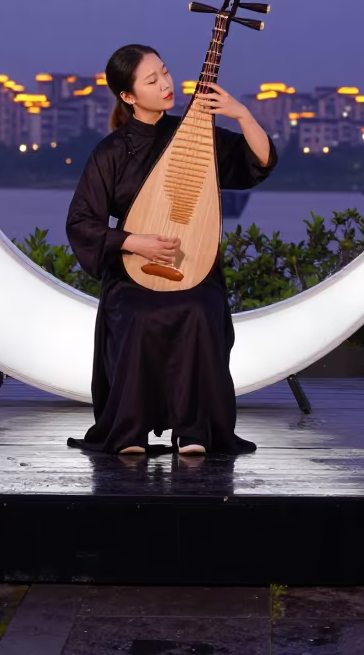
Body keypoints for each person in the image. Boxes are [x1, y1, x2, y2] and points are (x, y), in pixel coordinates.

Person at [65, 43, 278, 456]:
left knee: (200, 311)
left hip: (193, 269)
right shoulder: (111, 152)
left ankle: (194, 430)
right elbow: (81, 222)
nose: (165, 84)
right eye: (151, 80)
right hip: (133, 275)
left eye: (164, 72)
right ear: (128, 97)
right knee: (138, 316)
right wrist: (134, 242)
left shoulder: (195, 138)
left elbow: (259, 162)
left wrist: (241, 113)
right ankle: (129, 431)